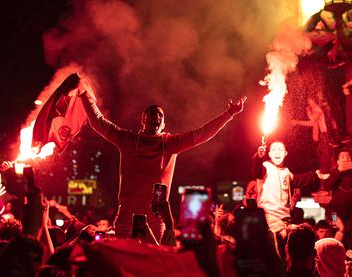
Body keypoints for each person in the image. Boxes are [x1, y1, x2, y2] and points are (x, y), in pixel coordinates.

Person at [77, 76, 246, 238]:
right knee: (125, 262)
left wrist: (229, 113)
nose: (156, 117)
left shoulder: (171, 143)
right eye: (152, 113)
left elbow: (203, 134)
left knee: (153, 263)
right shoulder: (127, 139)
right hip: (127, 217)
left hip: (155, 218)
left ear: (163, 124)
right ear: (143, 119)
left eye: (160, 115)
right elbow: (98, 122)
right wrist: (84, 94)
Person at [251, 141, 327, 253]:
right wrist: (258, 157)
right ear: (270, 154)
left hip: (284, 222)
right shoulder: (265, 167)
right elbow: (256, 171)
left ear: (286, 153)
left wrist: (315, 174)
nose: (277, 152)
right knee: (274, 254)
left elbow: (299, 179)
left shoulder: (286, 172)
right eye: (274, 150)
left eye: (280, 150)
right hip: (269, 220)